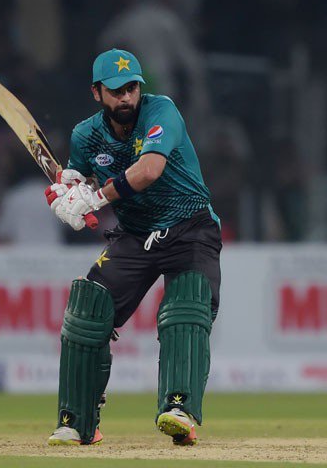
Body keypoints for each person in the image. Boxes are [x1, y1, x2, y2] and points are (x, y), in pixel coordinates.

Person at [45, 49, 221, 446]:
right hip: (136, 233)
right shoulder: (85, 135)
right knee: (88, 310)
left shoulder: (161, 111)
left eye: (131, 88)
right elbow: (79, 183)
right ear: (96, 93)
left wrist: (94, 199)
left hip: (190, 227)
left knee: (185, 311)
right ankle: (77, 420)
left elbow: (148, 170)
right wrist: (67, 196)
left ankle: (178, 409)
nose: (126, 97)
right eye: (116, 91)